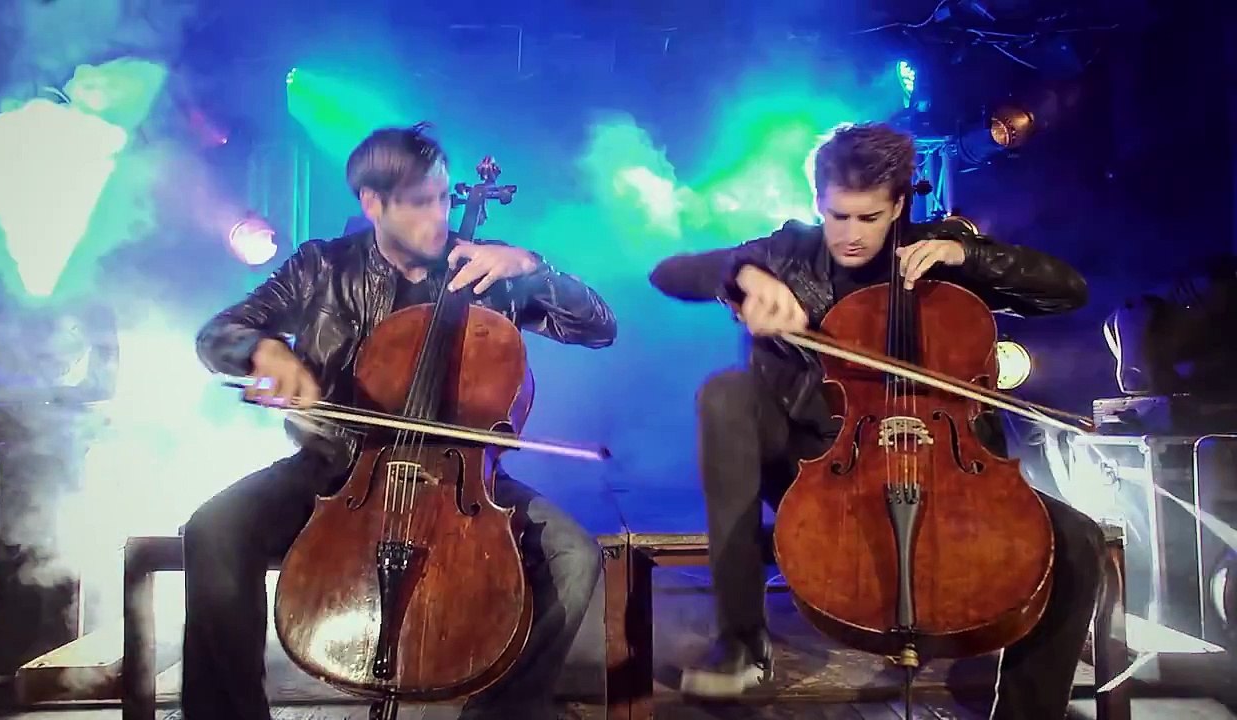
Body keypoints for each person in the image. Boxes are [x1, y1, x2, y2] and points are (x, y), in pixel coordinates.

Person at [648, 121, 1105, 720]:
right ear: (818, 202)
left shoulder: (938, 254)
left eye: (870, 219)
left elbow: (1067, 291)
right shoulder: (788, 252)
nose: (852, 236)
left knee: (1078, 541)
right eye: (839, 216)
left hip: (948, 470)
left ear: (898, 205)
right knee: (725, 395)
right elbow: (670, 272)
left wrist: (967, 252)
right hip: (819, 466)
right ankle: (741, 640)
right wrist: (744, 275)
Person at [187, 122, 617, 720]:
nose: (439, 218)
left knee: (576, 556)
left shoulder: (485, 275)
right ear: (374, 204)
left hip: (461, 483)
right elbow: (217, 334)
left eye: (444, 198)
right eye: (420, 203)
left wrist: (532, 267)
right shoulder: (321, 267)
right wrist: (264, 351)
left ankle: (500, 715)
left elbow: (599, 328)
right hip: (336, 474)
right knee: (213, 529)